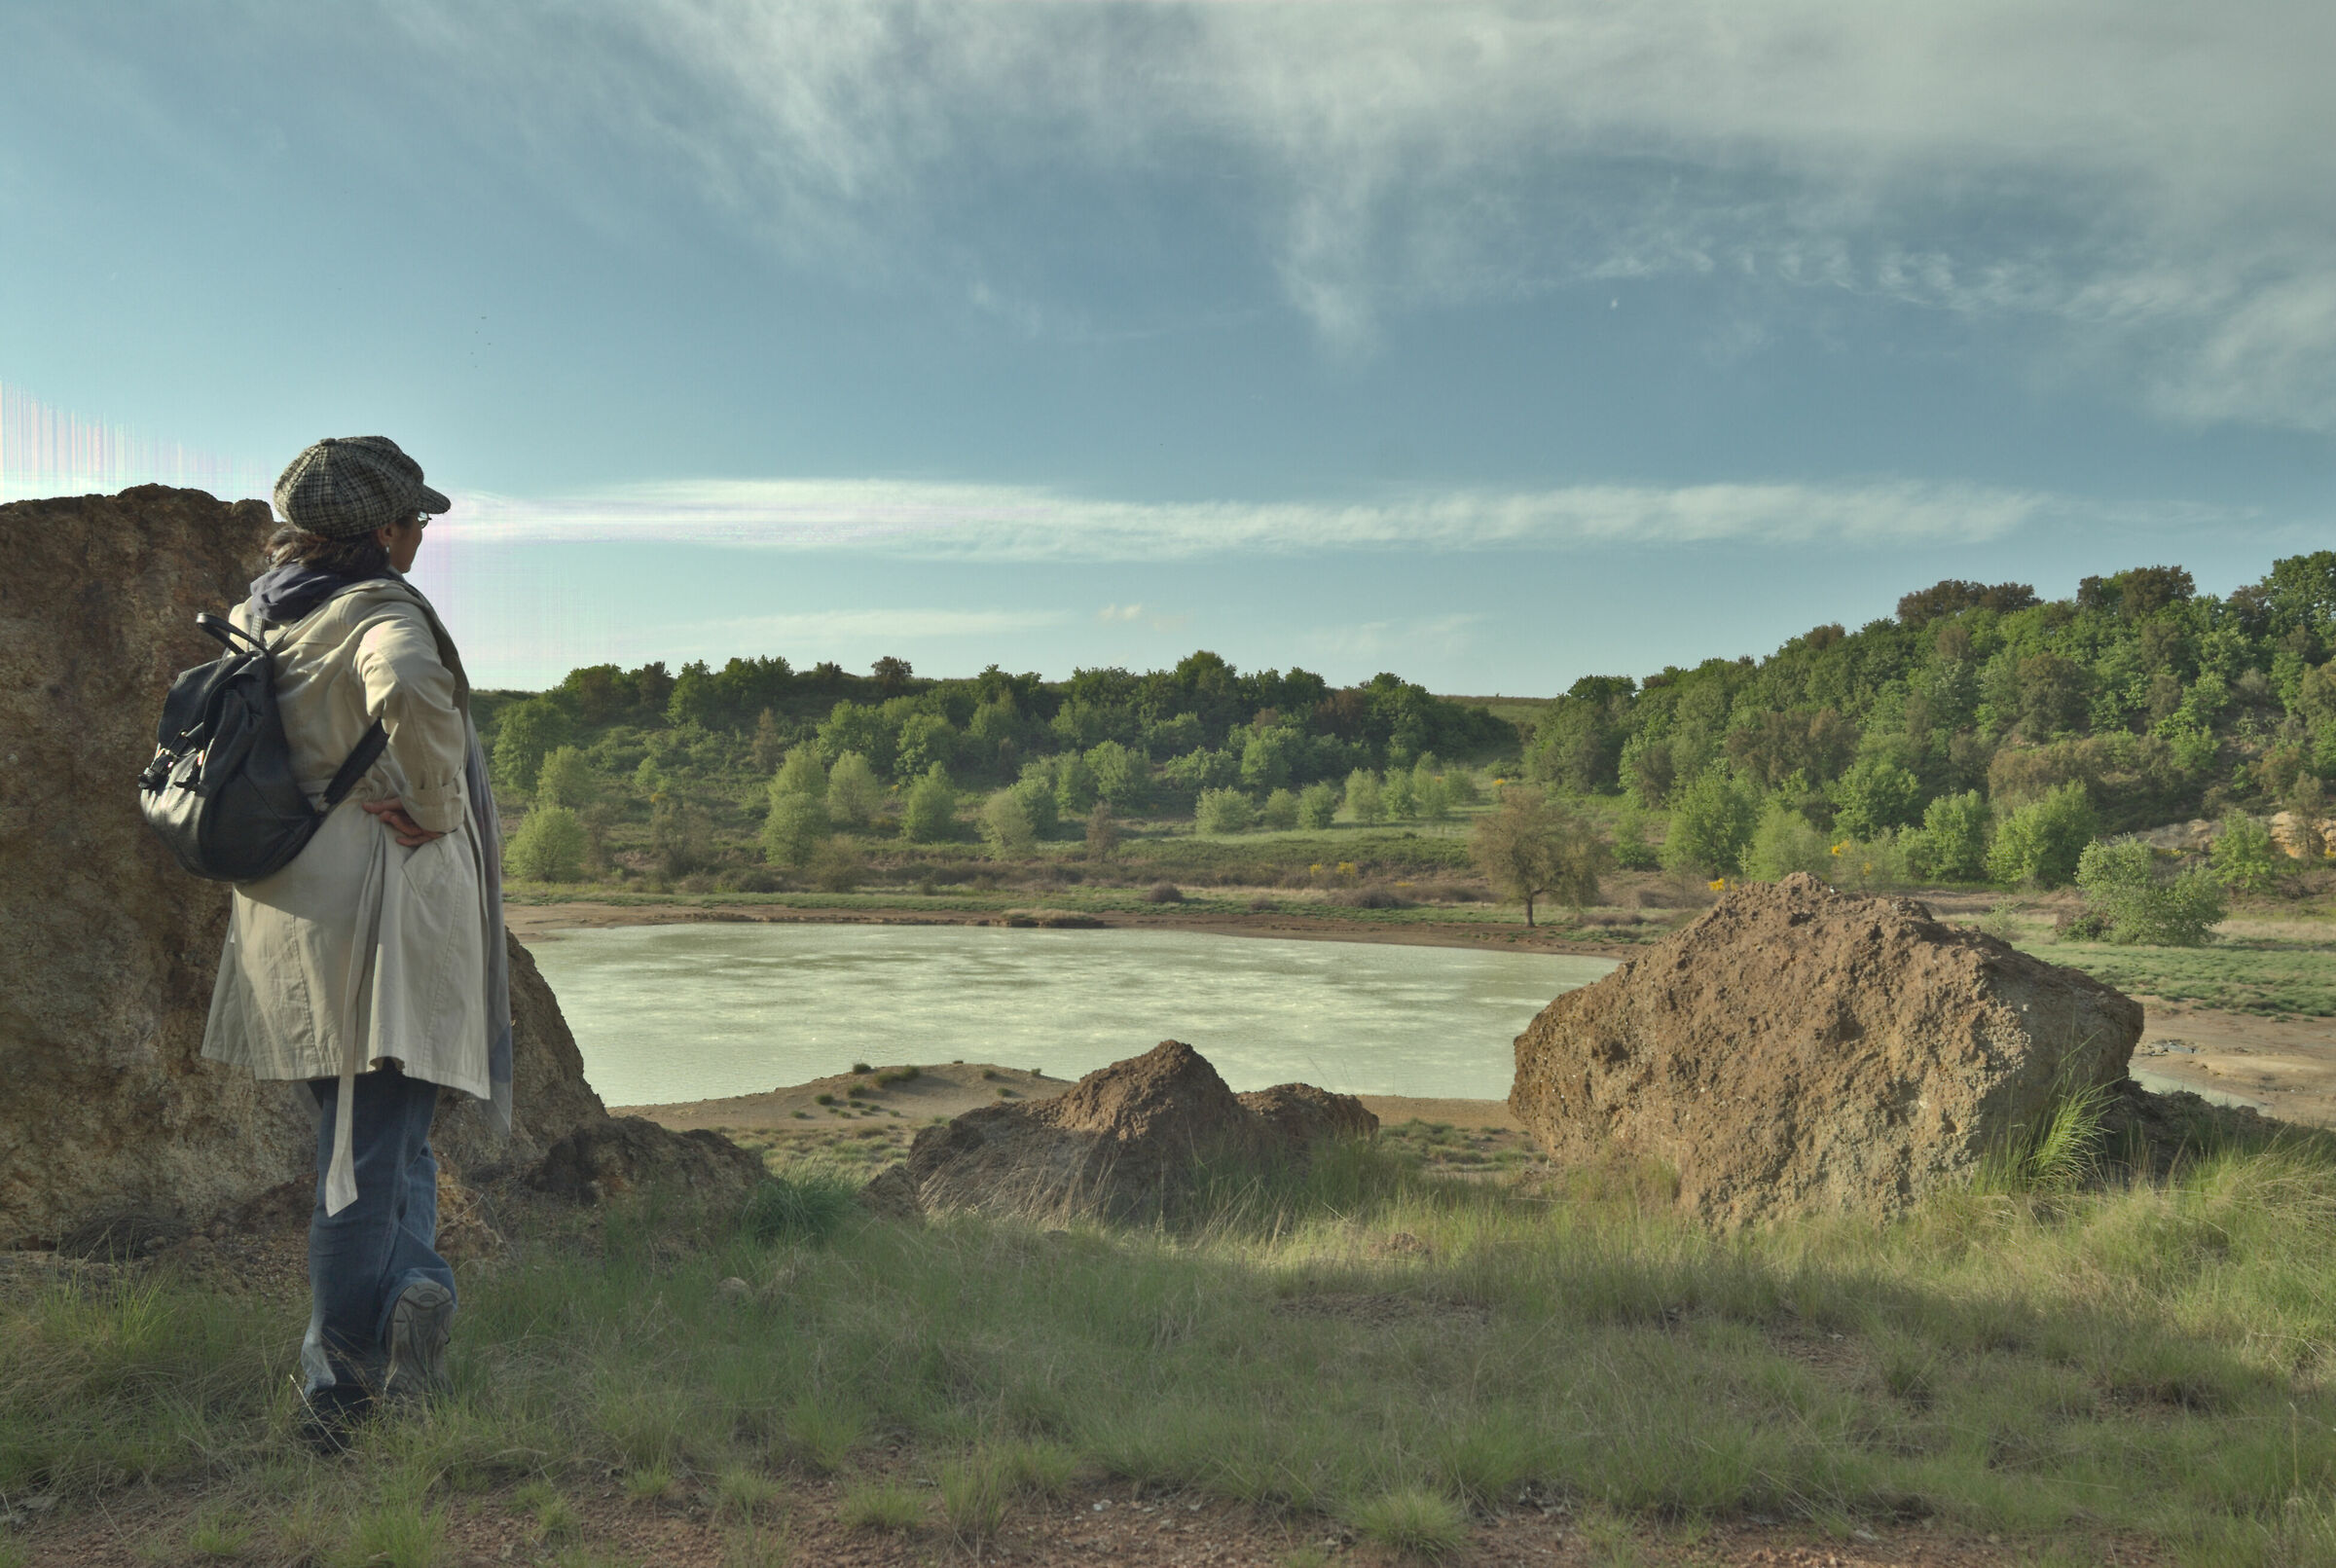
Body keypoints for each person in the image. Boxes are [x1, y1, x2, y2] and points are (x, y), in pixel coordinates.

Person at [201, 436, 511, 1449]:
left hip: (293, 909)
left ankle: (400, 1320)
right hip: (375, 909)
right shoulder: (376, 611)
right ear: (381, 531)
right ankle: (343, 1375)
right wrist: (431, 802)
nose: (423, 536)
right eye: (415, 520)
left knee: (382, 1135)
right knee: (360, 1151)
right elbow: (413, 688)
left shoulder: (265, 611)